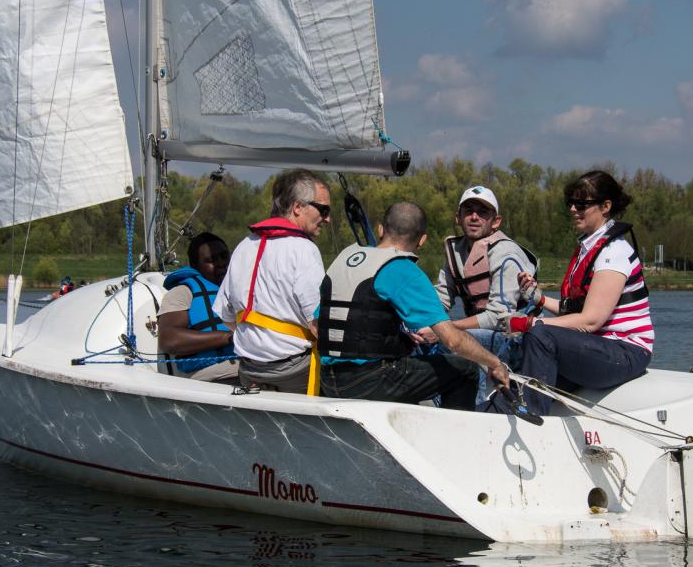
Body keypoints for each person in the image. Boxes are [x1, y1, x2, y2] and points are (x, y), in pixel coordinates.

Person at [317, 202, 510, 409]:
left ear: (380, 229)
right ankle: (453, 429)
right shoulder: (403, 268)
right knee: (465, 370)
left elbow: (320, 323)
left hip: (328, 379)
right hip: (368, 382)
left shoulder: (344, 259)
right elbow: (453, 341)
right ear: (422, 240)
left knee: (406, 361)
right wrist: (494, 363)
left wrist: (395, 341)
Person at [503, 170, 654, 414]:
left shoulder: (613, 251)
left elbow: (590, 321)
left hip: (626, 352)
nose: (573, 209)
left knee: (540, 337)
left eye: (581, 204)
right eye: (570, 203)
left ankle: (531, 418)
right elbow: (574, 311)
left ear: (606, 206)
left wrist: (529, 323)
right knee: (512, 374)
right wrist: (538, 298)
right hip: (597, 347)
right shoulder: (589, 246)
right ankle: (493, 414)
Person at [214, 169, 331, 393]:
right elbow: (318, 324)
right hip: (296, 372)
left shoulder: (244, 245)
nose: (327, 219)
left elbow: (227, 316)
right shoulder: (303, 249)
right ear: (298, 207)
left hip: (250, 370)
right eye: (323, 210)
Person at [435, 185, 539, 406]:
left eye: (483, 212)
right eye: (468, 211)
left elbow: (499, 317)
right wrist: (422, 325)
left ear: (495, 221)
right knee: (419, 339)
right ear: (458, 217)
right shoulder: (455, 253)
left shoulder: (506, 253)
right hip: (480, 331)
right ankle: (431, 404)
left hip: (514, 339)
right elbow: (441, 298)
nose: (474, 217)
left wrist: (446, 328)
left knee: (456, 341)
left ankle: (477, 407)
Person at [156, 232, 236, 381]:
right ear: (196, 266)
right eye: (211, 260)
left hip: (252, 370)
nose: (221, 263)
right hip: (212, 378)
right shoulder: (183, 292)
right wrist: (228, 337)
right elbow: (169, 339)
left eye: (224, 256)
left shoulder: (241, 290)